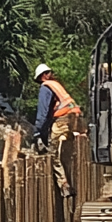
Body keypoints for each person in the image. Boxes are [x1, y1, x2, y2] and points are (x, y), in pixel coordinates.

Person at [33, 63, 81, 198]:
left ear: (42, 76)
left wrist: (37, 132)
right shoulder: (57, 85)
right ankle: (73, 182)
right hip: (74, 119)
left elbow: (43, 112)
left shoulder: (46, 87)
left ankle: (64, 185)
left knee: (53, 154)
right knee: (66, 153)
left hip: (62, 120)